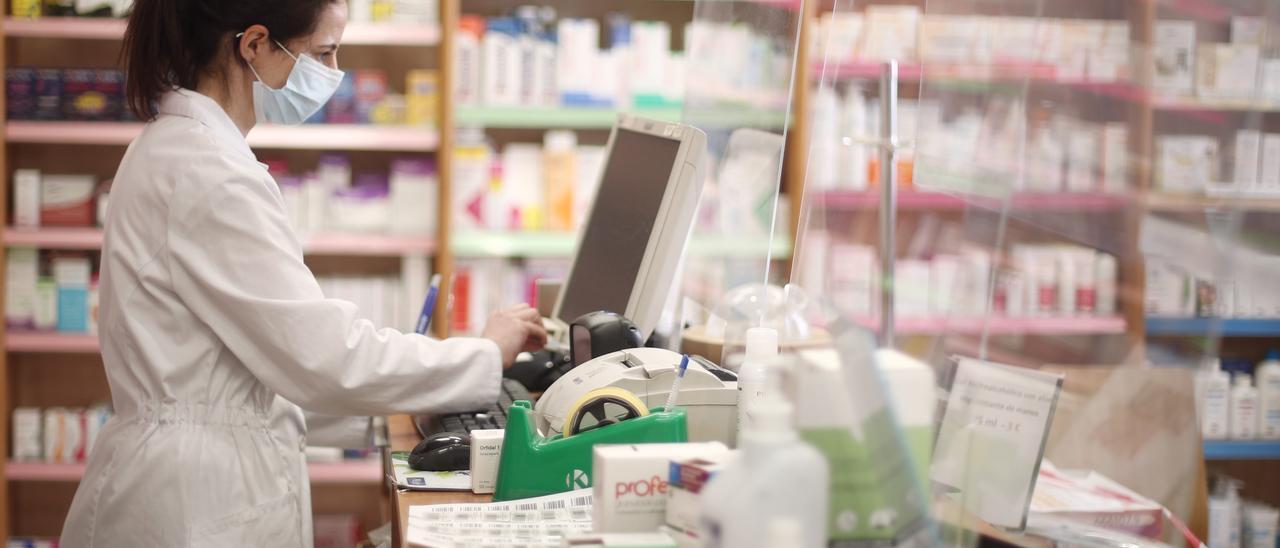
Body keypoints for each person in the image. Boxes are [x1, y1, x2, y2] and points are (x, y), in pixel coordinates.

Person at [59, 0, 547, 546]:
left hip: (187, 477)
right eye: (323, 52)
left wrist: (407, 402)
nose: (333, 74)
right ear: (255, 45)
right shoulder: (210, 173)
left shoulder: (181, 149)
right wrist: (482, 354)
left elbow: (249, 379)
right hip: (191, 502)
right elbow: (324, 358)